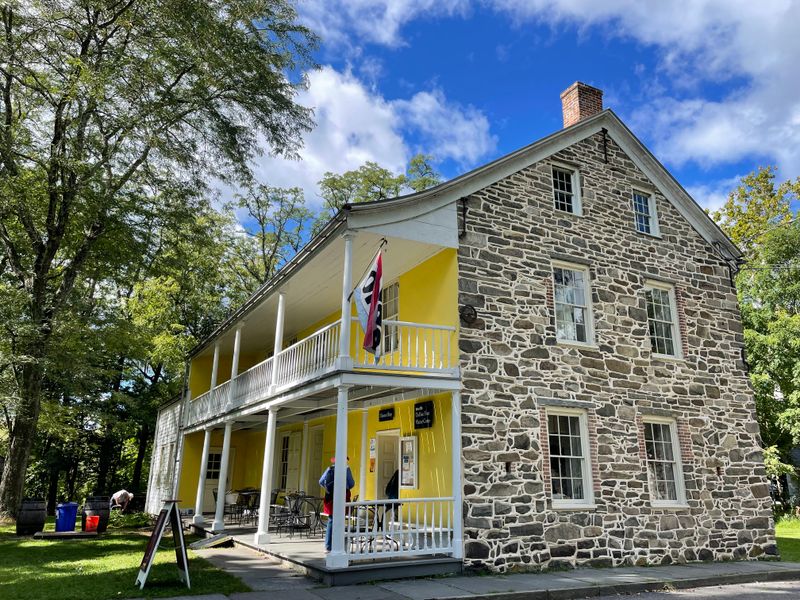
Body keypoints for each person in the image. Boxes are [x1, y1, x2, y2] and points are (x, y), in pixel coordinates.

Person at [319, 456, 354, 553]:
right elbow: (351, 483)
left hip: (330, 498)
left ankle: (328, 546)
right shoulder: (346, 469)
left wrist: (328, 489)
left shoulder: (329, 469)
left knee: (331, 520)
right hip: (342, 496)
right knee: (340, 520)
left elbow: (321, 481)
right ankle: (338, 545)